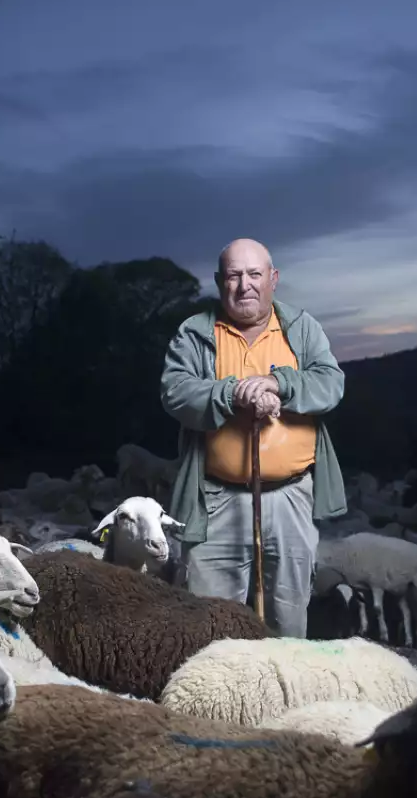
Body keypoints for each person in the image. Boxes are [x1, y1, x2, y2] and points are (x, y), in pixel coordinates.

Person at [159, 237, 347, 638]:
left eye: (254, 274)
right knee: (210, 621)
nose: (244, 285)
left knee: (288, 617)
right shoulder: (194, 334)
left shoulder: (301, 328)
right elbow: (175, 392)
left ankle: (284, 694)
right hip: (216, 498)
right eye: (233, 275)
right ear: (219, 282)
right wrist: (230, 393)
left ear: (273, 279)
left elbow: (331, 384)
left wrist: (279, 384)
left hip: (292, 498)